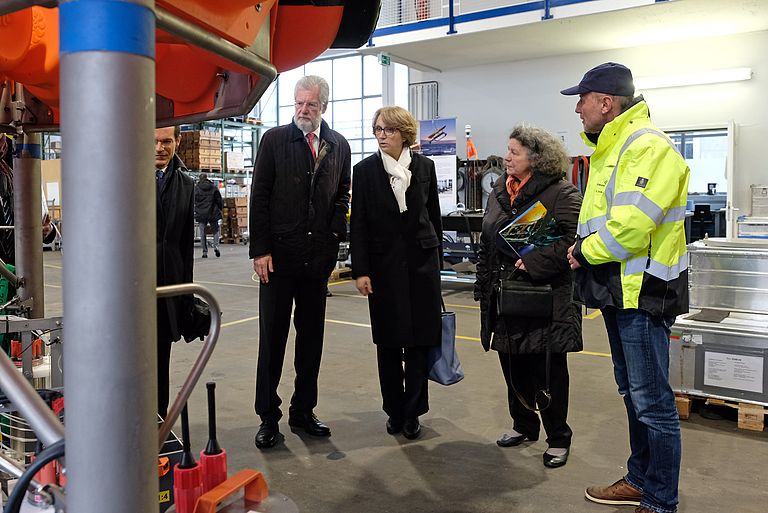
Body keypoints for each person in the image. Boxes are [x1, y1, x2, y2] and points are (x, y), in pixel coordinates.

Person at [562, 63, 689, 513]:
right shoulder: (611, 149)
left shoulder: (647, 147)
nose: (577, 109)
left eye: (581, 99)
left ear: (605, 103)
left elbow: (632, 227)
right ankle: (640, 479)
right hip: (617, 289)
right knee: (633, 393)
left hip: (642, 292)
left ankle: (660, 500)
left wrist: (583, 252)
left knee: (653, 403)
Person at [249, 75, 351, 449]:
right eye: (298, 104)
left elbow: (342, 195)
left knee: (311, 340)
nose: (303, 111)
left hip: (316, 260)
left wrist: (333, 240)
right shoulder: (275, 140)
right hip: (277, 260)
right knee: (272, 340)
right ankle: (267, 416)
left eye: (310, 105)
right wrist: (260, 249)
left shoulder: (339, 145)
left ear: (323, 105)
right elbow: (259, 196)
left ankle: (303, 410)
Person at [474, 125, 582, 467]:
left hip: (543, 298)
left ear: (535, 159)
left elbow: (574, 241)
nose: (506, 157)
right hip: (504, 295)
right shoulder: (498, 193)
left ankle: (558, 437)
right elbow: (487, 242)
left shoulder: (561, 193)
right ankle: (524, 425)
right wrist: (482, 285)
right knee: (512, 365)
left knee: (547, 371)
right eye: (507, 150)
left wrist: (534, 260)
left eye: (514, 152)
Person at [350, 106, 442, 440]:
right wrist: (360, 270)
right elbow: (357, 224)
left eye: (388, 130)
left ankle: (413, 412)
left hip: (421, 268)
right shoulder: (364, 171)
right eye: (377, 130)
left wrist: (437, 264)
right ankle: (394, 410)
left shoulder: (425, 168)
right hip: (383, 269)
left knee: (418, 344)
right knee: (388, 344)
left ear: (405, 133)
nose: (381, 136)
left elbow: (433, 218)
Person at [155, 125, 195, 418]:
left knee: (160, 361)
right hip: (134, 289)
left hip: (169, 287)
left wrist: (186, 296)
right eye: (154, 141)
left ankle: (157, 427)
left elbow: (185, 246)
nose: (160, 147)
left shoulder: (186, 184)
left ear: (177, 142)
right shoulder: (125, 176)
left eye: (167, 141)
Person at [194, 173, 223, 258]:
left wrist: (196, 209)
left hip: (201, 213)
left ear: (199, 179)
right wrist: (220, 208)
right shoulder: (213, 187)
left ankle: (204, 252)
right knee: (215, 230)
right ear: (207, 178)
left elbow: (194, 200)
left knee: (202, 232)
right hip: (212, 211)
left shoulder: (196, 188)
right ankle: (216, 246)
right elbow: (219, 199)